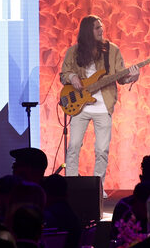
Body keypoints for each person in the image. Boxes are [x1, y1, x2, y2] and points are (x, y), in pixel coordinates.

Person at [59, 15, 139, 196]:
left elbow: (122, 77)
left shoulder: (112, 50)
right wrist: (72, 77)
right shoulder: (74, 51)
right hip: (80, 107)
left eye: (101, 27)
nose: (101, 30)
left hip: (103, 107)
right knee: (73, 147)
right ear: (88, 30)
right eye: (97, 28)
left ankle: (98, 187)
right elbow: (65, 73)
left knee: (102, 149)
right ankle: (70, 185)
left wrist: (132, 76)